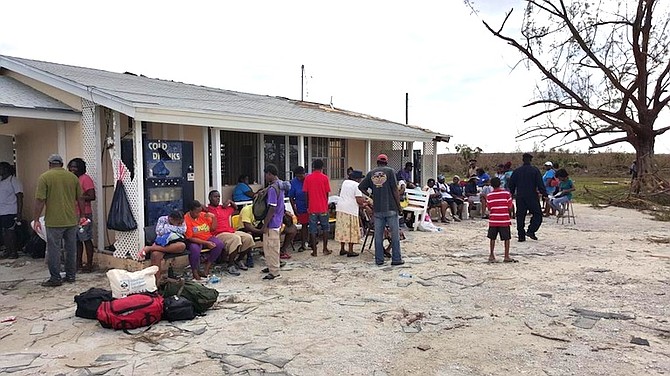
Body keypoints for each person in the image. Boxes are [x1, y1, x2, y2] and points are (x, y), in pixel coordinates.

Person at [33, 154, 86, 287]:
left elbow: (40, 200)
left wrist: (36, 219)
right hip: (71, 220)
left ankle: (55, 278)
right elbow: (80, 198)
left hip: (53, 221)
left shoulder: (45, 177)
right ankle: (71, 276)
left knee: (54, 250)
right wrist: (82, 215)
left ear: (50, 164)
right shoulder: (72, 177)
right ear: (62, 164)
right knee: (71, 249)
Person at [358, 154, 403, 266]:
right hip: (391, 207)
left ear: (377, 162)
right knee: (395, 234)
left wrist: (371, 195)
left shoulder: (371, 173)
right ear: (386, 162)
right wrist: (399, 206)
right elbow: (394, 190)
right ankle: (396, 259)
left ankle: (379, 260)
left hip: (377, 209)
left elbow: (361, 187)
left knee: (378, 236)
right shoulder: (390, 171)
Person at [206, 190, 253, 276]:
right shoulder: (207, 210)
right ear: (209, 198)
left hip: (231, 231)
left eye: (218, 197)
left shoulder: (223, 208)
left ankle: (239, 260)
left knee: (248, 237)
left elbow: (236, 209)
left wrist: (230, 201)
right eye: (215, 197)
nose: (217, 199)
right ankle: (230, 265)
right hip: (218, 234)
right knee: (236, 239)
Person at [137, 210, 187, 282]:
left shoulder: (181, 220)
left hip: (174, 241)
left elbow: (183, 230)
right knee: (155, 255)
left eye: (181, 222)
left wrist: (167, 227)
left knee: (182, 246)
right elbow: (159, 231)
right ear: (171, 219)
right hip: (161, 241)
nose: (180, 224)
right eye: (178, 223)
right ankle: (156, 282)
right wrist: (174, 229)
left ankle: (150, 248)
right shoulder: (162, 219)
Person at [508, 153, 547, 242]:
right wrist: (544, 194)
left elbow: (511, 184)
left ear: (523, 160)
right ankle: (531, 230)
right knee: (537, 214)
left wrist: (512, 193)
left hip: (520, 196)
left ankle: (521, 235)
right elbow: (540, 184)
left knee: (520, 216)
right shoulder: (535, 170)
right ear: (530, 160)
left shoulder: (517, 171)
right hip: (532, 196)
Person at [67, 158, 96, 272]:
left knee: (86, 239)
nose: (72, 169)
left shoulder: (85, 179)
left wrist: (79, 197)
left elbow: (92, 196)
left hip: (84, 214)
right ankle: (78, 264)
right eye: (71, 167)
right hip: (73, 213)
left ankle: (89, 265)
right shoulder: (71, 179)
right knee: (76, 240)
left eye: (75, 167)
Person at [184, 200, 224, 281]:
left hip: (207, 237)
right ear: (190, 211)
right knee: (194, 249)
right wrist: (206, 243)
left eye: (200, 212)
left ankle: (207, 266)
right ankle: (194, 271)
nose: (199, 214)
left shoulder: (203, 215)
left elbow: (213, 229)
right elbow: (189, 237)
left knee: (219, 244)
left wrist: (213, 217)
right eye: (196, 212)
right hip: (194, 240)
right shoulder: (186, 219)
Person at [302, 159, 331, 257]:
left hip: (312, 208)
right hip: (323, 207)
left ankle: (314, 251)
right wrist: (325, 204)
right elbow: (327, 193)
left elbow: (306, 194)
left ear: (313, 167)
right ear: (322, 167)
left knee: (313, 230)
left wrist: (307, 206)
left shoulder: (308, 178)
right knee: (325, 228)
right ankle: (325, 249)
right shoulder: (325, 178)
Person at [261, 164, 284, 280]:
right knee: (273, 246)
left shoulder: (272, 189)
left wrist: (265, 224)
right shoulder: (280, 185)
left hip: (272, 222)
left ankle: (274, 271)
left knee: (271, 247)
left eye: (266, 174)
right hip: (278, 220)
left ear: (269, 174)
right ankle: (272, 267)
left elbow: (272, 207)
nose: (265, 176)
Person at [335, 170, 365, 257]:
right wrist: (365, 204)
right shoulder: (357, 185)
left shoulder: (345, 182)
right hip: (350, 210)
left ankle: (342, 248)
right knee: (351, 230)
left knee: (343, 229)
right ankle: (351, 250)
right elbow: (359, 200)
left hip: (341, 208)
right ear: (358, 179)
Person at [486, 177, 515, 263]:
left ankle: (491, 255)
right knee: (506, 238)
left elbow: (489, 207)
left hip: (493, 220)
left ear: (491, 185)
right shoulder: (506, 194)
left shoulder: (489, 195)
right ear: (500, 184)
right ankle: (506, 256)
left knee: (492, 238)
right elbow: (510, 206)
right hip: (504, 219)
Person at [0, 162, 23, 259]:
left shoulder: (13, 181)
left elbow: (20, 197)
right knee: (4, 232)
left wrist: (19, 213)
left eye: (1, 168)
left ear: (6, 169)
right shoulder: (1, 181)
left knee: (10, 232)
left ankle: (14, 252)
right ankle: (8, 250)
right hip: (2, 211)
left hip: (11, 211)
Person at [288, 166, 309, 251]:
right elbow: (291, 197)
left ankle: (311, 241)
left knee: (312, 224)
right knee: (304, 224)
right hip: (301, 206)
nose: (300, 178)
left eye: (301, 176)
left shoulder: (309, 179)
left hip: (311, 205)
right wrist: (294, 209)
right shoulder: (294, 182)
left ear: (304, 173)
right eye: (298, 176)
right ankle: (303, 244)